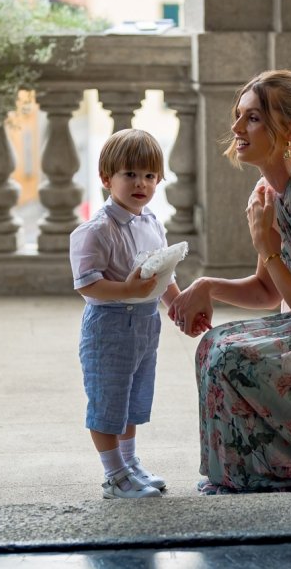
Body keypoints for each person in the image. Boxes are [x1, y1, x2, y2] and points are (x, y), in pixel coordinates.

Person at [169, 69, 291, 494]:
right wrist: (207, 286)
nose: (237, 128)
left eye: (253, 118)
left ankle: (276, 474)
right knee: (211, 347)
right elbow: (267, 291)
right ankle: (237, 476)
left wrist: (266, 243)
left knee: (230, 360)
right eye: (239, 116)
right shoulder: (267, 192)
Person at [69, 128, 208, 500]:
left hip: (145, 325)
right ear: (106, 178)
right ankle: (114, 475)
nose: (140, 183)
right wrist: (128, 290)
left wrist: (180, 308)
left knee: (133, 397)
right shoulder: (96, 231)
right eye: (129, 174)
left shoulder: (152, 224)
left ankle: (129, 463)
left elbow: (164, 275)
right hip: (109, 326)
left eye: (149, 175)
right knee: (108, 399)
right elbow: (87, 284)